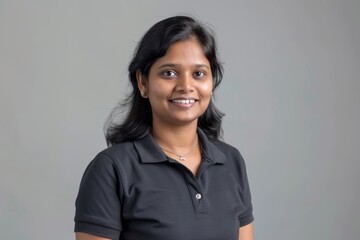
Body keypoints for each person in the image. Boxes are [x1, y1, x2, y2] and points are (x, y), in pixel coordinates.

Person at [74, 16, 254, 240]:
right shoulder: (111, 169)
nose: (186, 86)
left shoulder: (231, 162)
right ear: (143, 83)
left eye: (199, 74)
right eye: (169, 73)